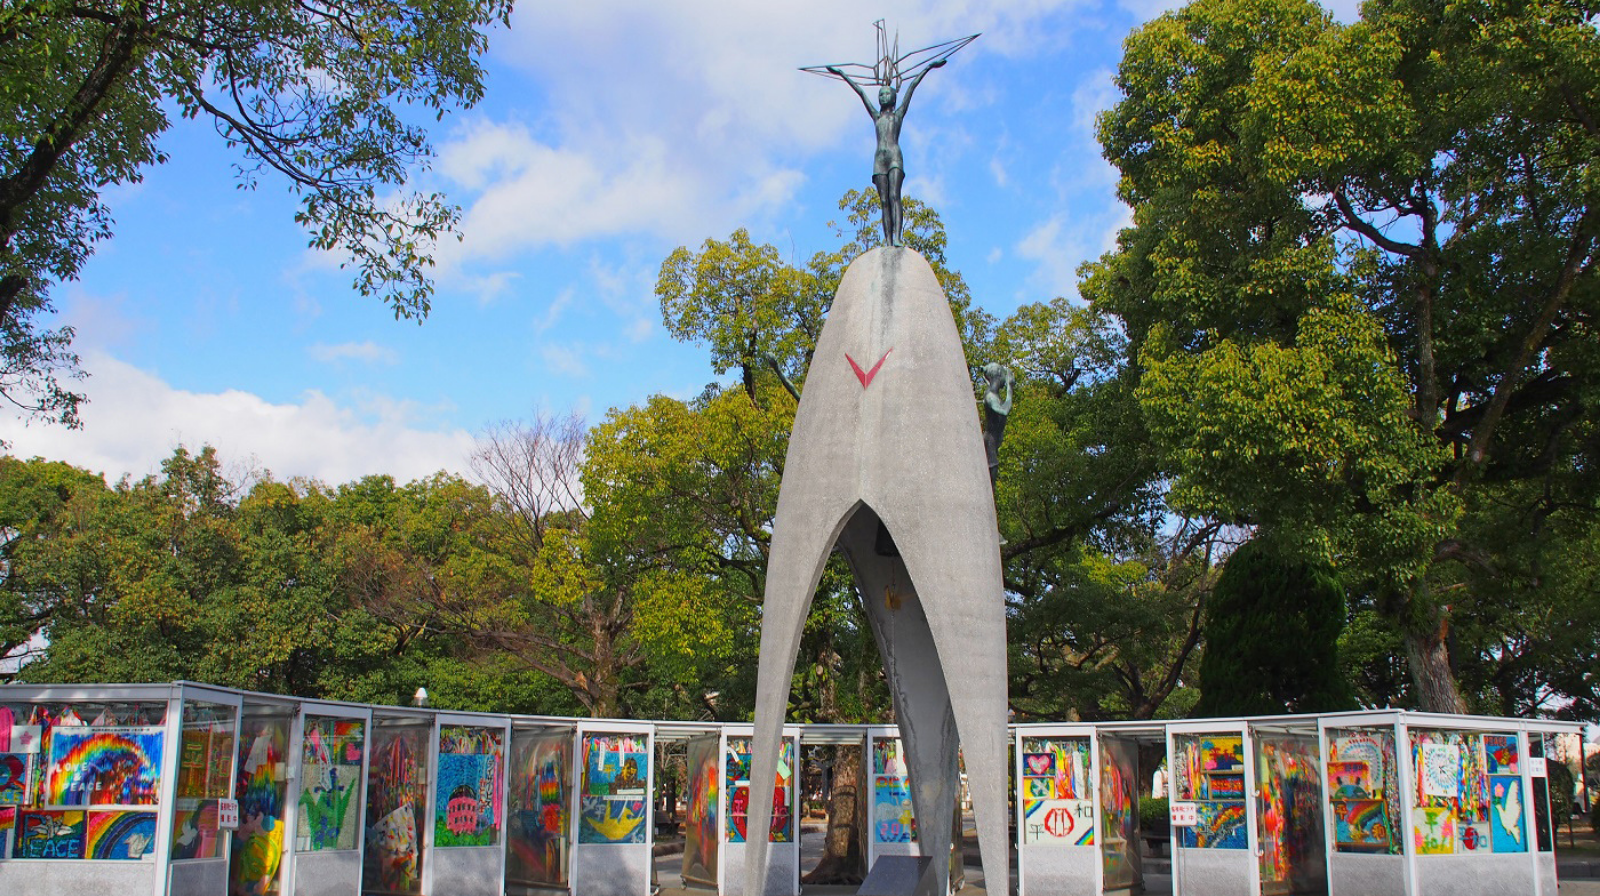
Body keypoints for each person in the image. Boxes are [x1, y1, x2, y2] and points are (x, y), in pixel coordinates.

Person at [826, 59, 945, 247]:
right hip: (879, 160)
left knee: (894, 196)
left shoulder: (897, 115)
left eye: (887, 93)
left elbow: (912, 86)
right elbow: (860, 92)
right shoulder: (876, 116)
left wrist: (929, 67)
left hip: (894, 156)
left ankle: (897, 237)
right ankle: (888, 240)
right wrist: (842, 74)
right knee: (883, 201)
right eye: (881, 94)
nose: (883, 96)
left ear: (894, 97)